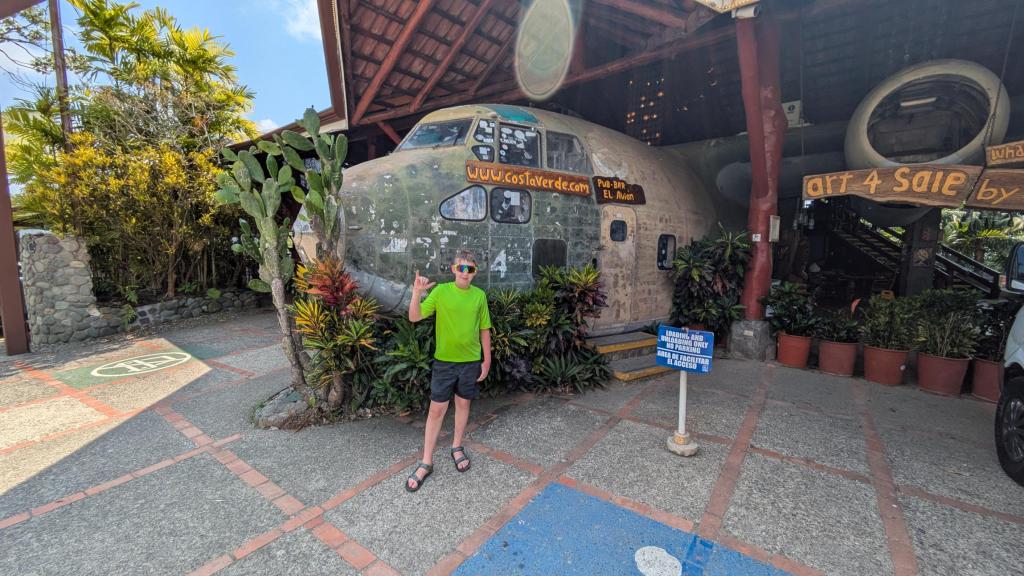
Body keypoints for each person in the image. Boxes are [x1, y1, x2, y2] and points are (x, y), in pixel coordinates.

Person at [405, 249, 492, 492]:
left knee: (463, 404)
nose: (466, 273)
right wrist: (416, 293)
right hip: (444, 362)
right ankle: (426, 461)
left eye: (471, 269)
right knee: (436, 410)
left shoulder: (479, 296)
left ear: (475, 273)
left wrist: (487, 361)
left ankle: (456, 446)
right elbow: (415, 317)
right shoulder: (441, 291)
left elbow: (485, 329)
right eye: (461, 268)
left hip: (470, 362)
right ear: (454, 269)